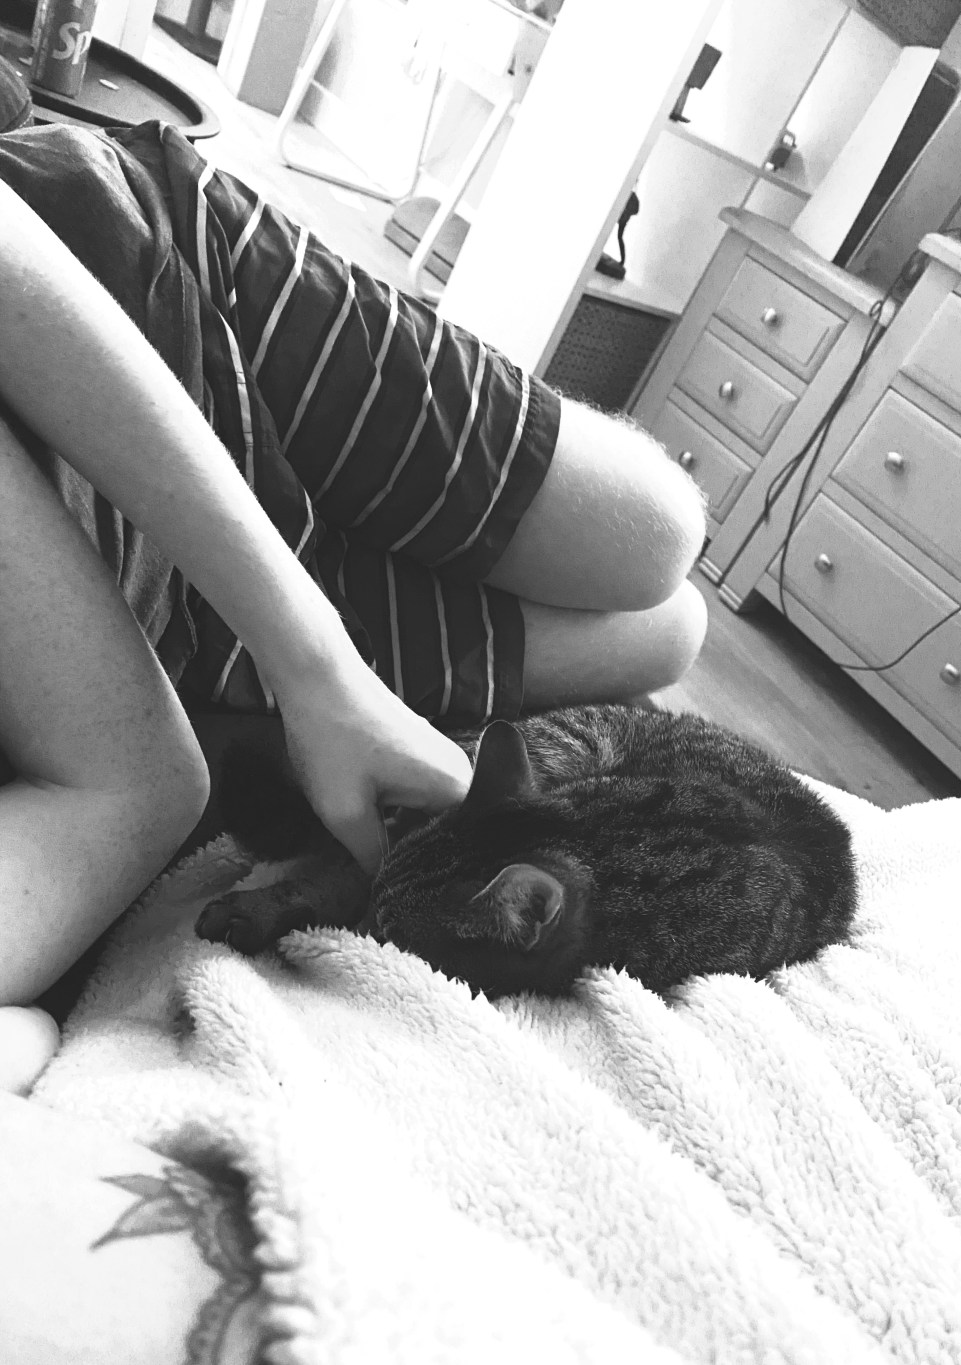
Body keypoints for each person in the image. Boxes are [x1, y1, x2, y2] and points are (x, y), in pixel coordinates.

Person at [0, 120, 708, 1092]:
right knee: (666, 635)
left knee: (653, 538)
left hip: (147, 309)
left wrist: (316, 663)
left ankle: (328, 590)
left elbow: (138, 792)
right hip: (161, 630)